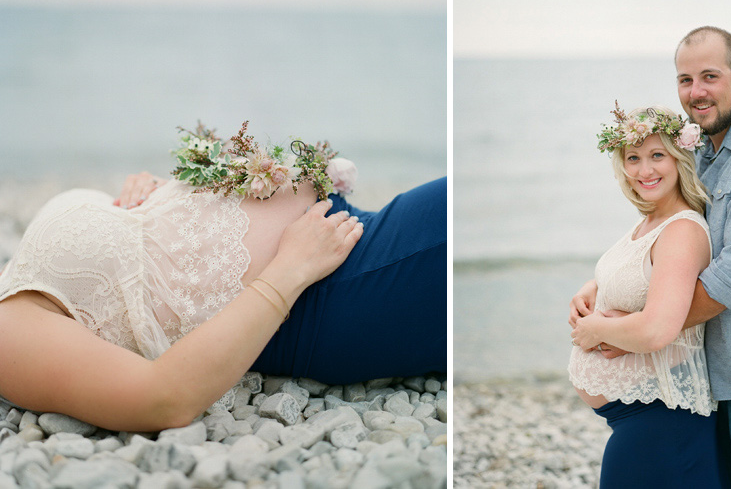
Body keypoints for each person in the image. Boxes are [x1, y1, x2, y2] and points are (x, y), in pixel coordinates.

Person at [0, 127, 446, 433]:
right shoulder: (10, 334)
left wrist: (154, 192)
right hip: (332, 292)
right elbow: (162, 398)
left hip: (340, 234)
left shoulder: (19, 269)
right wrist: (288, 272)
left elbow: (131, 263)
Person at [574, 27, 731, 488]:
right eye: (685, 80)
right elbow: (670, 247)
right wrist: (606, 287)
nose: (696, 92)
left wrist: (630, 328)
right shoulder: (703, 151)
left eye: (709, 76)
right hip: (720, 371)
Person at [568, 105, 726, 488]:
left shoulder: (682, 230)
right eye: (633, 158)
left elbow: (657, 329)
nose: (645, 169)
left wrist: (594, 331)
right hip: (642, 420)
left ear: (679, 158)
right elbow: (640, 278)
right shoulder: (651, 221)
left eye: (658, 155)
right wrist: (594, 291)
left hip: (660, 422)